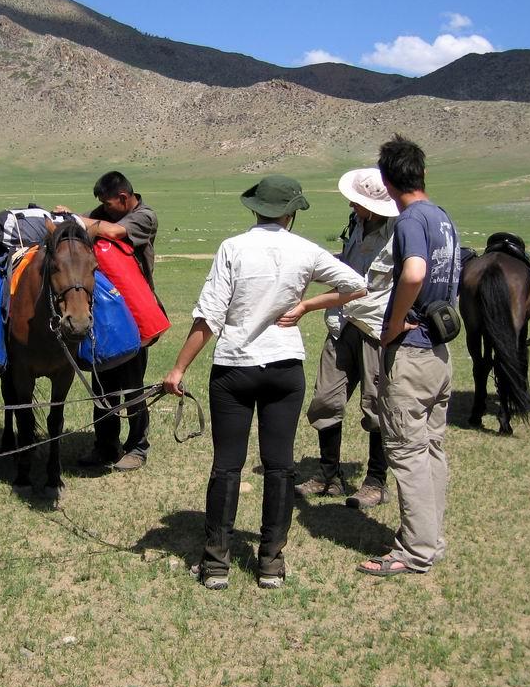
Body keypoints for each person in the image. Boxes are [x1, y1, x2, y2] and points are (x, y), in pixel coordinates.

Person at [163, 176, 366, 590]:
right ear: (290, 213)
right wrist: (308, 304)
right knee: (280, 467)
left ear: (255, 209)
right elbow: (357, 285)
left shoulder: (232, 248)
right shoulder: (306, 250)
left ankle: (216, 564)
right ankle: (271, 562)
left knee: (226, 466)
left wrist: (178, 369)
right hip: (284, 368)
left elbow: (208, 317)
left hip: (234, 369)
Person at [358, 135, 460, 577]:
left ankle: (415, 551)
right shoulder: (442, 217)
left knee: (406, 452)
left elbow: (414, 272)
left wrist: (395, 321)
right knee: (432, 447)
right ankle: (431, 539)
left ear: (386, 181)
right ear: (422, 173)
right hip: (439, 353)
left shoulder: (410, 222)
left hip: (413, 355)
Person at [295, 167, 397, 509]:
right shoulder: (354, 224)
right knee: (326, 399)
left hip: (375, 327)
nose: (353, 206)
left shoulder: (400, 232)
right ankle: (328, 475)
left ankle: (376, 481)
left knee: (376, 405)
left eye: (358, 202)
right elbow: (350, 266)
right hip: (341, 324)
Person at [54, 171, 158, 471]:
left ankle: (137, 446)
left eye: (108, 203)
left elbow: (112, 232)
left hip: (133, 312)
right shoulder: (103, 213)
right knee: (102, 383)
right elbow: (85, 223)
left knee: (132, 384)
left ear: (124, 198)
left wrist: (77, 218)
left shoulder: (144, 217)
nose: (104, 208)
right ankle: (105, 445)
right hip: (102, 311)